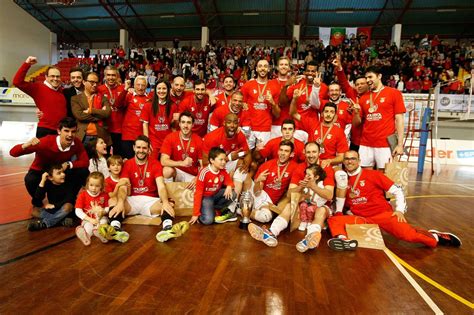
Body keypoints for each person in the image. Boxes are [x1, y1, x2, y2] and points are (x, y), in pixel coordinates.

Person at [326, 151, 462, 251]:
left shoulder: (373, 175)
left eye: (353, 159)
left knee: (408, 236)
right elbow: (343, 199)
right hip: (363, 218)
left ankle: (435, 237)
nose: (350, 161)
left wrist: (399, 210)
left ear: (359, 161)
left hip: (383, 215)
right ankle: (343, 240)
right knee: (334, 220)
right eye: (347, 159)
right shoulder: (342, 179)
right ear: (343, 161)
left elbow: (398, 190)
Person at [9, 117, 89, 216]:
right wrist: (26, 144)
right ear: (59, 131)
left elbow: (85, 162)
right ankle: (38, 204)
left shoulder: (76, 143)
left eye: (73, 131)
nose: (70, 135)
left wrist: (69, 164)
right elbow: (12, 153)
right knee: (30, 179)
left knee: (83, 172)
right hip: (41, 170)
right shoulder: (45, 142)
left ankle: (70, 201)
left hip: (60, 171)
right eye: (66, 131)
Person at [108, 136, 179, 243]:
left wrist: (164, 202)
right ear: (133, 148)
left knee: (169, 203)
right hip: (132, 200)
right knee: (113, 201)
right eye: (138, 147)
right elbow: (123, 186)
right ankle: (115, 230)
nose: (141, 150)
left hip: (150, 201)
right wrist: (120, 202)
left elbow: (161, 186)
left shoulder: (155, 163)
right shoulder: (127, 164)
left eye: (144, 148)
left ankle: (167, 229)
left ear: (149, 149)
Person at [353, 66, 406, 170]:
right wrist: (355, 113)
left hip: (384, 144)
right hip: (365, 143)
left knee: (383, 175)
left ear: (379, 76)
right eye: (366, 78)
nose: (368, 80)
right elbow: (357, 124)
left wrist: (400, 145)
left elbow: (399, 120)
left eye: (370, 77)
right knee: (365, 174)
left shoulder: (394, 93)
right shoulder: (363, 98)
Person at [245, 140, 298, 223]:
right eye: (281, 150)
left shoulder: (294, 167)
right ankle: (246, 209)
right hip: (260, 195)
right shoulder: (267, 165)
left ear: (291, 154)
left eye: (286, 151)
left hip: (270, 202)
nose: (283, 153)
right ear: (278, 151)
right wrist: (258, 181)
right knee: (241, 175)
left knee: (265, 217)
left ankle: (244, 211)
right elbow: (257, 193)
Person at [13, 56, 66, 138]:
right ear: (46, 77)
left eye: (57, 76)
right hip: (45, 130)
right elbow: (17, 82)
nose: (55, 79)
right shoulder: (38, 88)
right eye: (52, 76)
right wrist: (27, 63)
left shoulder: (61, 91)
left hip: (60, 131)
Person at [203, 113, 251, 200]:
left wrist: (246, 165)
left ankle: (235, 204)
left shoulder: (239, 135)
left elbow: (247, 153)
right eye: (229, 122)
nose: (232, 125)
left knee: (242, 169)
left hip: (227, 162)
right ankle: (228, 203)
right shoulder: (213, 137)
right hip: (213, 166)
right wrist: (228, 158)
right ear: (224, 123)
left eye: (235, 123)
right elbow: (206, 163)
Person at [75, 172, 129, 246]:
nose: (94, 188)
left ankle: (101, 234)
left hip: (100, 218)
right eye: (91, 185)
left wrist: (103, 212)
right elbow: (78, 211)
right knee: (88, 227)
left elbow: (107, 208)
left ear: (101, 186)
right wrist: (90, 219)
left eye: (97, 186)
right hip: (87, 219)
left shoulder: (104, 195)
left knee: (103, 223)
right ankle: (86, 237)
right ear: (87, 184)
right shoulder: (82, 195)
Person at [331, 55, 369, 152]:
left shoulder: (373, 96)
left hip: (369, 138)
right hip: (355, 139)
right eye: (357, 84)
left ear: (368, 84)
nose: (359, 86)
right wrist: (339, 68)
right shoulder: (353, 94)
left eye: (362, 84)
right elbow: (344, 83)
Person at [189, 147, 236, 225]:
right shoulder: (204, 172)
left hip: (215, 195)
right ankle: (204, 211)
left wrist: (229, 186)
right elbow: (198, 193)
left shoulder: (222, 170)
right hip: (205, 197)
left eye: (225, 160)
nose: (224, 162)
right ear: (212, 160)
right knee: (208, 221)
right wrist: (195, 214)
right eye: (221, 160)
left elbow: (229, 182)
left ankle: (215, 209)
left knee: (233, 194)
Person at [241, 59, 280, 148]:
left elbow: (277, 114)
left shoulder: (274, 86)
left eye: (265, 66)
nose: (263, 68)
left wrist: (272, 103)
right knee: (246, 154)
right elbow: (240, 104)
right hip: (249, 127)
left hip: (265, 128)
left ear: (269, 69)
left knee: (261, 156)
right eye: (260, 66)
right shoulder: (248, 85)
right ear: (256, 69)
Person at [283, 60, 327, 139]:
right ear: (304, 72)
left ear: (317, 73)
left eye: (313, 71)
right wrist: (286, 85)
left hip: (312, 126)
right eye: (308, 71)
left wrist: (316, 87)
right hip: (297, 126)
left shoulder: (323, 87)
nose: (310, 73)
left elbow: (319, 107)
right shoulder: (297, 84)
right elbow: (284, 101)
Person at [26, 164, 75, 231]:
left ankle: (44, 223)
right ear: (50, 177)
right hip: (54, 211)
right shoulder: (48, 184)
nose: (63, 174)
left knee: (68, 206)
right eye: (59, 173)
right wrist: (42, 181)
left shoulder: (68, 183)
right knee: (34, 211)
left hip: (64, 210)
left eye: (63, 172)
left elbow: (70, 199)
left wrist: (55, 205)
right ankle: (60, 221)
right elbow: (37, 198)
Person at [160, 111, 203, 186]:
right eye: (183, 122)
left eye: (188, 123)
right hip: (177, 172)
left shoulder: (198, 140)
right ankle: (170, 193)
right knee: (166, 170)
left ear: (193, 125)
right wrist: (181, 163)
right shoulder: (170, 137)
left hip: (192, 175)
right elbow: (163, 161)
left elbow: (204, 165)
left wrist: (198, 178)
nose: (185, 126)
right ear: (179, 124)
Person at [141, 79, 179, 161]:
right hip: (153, 142)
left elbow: (173, 127)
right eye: (159, 88)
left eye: (164, 88)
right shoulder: (148, 105)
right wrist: (146, 142)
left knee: (167, 167)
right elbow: (145, 125)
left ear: (168, 90)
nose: (161, 91)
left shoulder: (173, 106)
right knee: (151, 166)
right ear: (155, 90)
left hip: (168, 142)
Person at [71, 72, 112, 146]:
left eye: (97, 82)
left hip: (101, 136)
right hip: (82, 136)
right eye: (92, 82)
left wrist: (91, 111)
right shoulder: (75, 99)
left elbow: (107, 113)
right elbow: (79, 116)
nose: (95, 85)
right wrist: (100, 115)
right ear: (84, 82)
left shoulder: (103, 98)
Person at [115, 76, 151, 158]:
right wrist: (125, 89)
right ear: (134, 86)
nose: (140, 88)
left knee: (142, 161)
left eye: (143, 85)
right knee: (128, 161)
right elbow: (117, 104)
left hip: (142, 136)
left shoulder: (150, 99)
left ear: (146, 86)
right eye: (138, 85)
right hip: (128, 136)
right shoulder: (128, 96)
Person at [97, 66, 126, 156]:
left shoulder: (123, 88)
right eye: (108, 75)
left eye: (113, 75)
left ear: (117, 76)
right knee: (104, 155)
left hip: (119, 129)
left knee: (118, 156)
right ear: (105, 76)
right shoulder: (99, 89)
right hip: (105, 128)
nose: (111, 77)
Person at [298, 164, 327, 231]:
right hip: (307, 202)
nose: (306, 176)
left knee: (310, 209)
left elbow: (323, 198)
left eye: (309, 175)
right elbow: (302, 194)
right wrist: (301, 187)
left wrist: (317, 204)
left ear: (316, 177)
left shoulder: (320, 185)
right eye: (306, 174)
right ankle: (304, 221)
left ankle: (310, 221)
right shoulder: (306, 184)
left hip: (316, 205)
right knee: (303, 205)